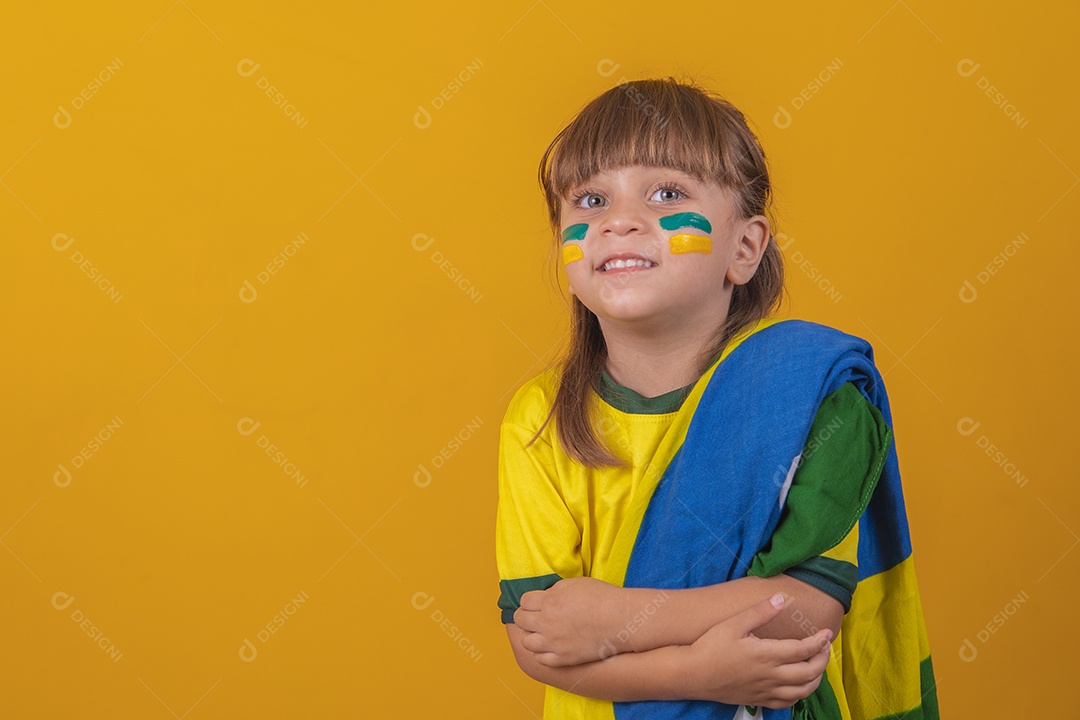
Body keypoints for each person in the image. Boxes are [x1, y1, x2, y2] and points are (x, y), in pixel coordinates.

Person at [495, 77, 938, 720]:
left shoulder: (814, 396)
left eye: (667, 193)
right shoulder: (538, 420)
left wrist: (616, 619)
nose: (618, 220)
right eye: (589, 199)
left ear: (745, 247)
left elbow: (806, 612)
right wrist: (701, 671)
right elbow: (538, 644)